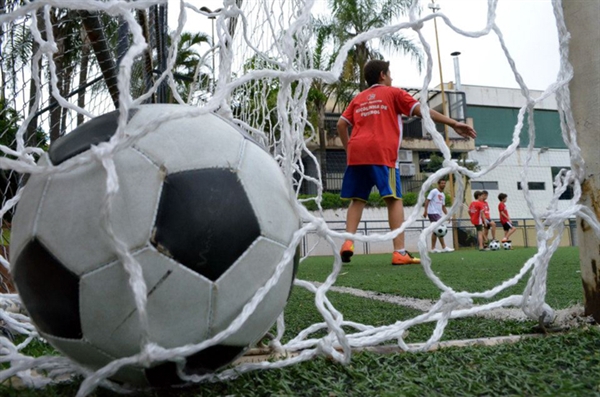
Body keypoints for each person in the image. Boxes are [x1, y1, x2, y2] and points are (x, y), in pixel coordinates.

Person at [337, 60, 476, 265]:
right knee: (394, 199)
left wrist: (349, 149)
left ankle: (348, 242)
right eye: (390, 73)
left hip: (357, 153)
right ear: (382, 75)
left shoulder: (358, 98)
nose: (392, 77)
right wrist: (454, 123)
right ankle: (399, 252)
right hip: (381, 152)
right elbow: (424, 111)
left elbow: (341, 124)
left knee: (357, 200)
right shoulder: (393, 93)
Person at [423, 179, 453, 253]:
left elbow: (443, 207)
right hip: (432, 213)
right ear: (438, 184)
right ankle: (444, 247)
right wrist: (425, 210)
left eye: (444, 183)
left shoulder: (443, 195)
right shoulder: (434, 191)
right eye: (442, 183)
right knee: (439, 229)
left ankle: (433, 248)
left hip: (438, 214)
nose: (443, 184)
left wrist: (447, 216)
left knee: (436, 231)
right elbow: (427, 200)